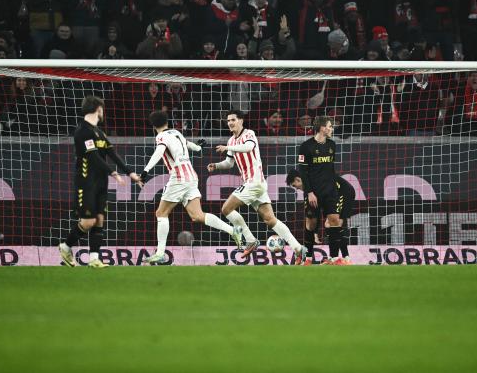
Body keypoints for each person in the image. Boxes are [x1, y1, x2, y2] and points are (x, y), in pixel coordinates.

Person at [136, 111, 242, 265]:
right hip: (191, 177)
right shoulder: (176, 133)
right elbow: (190, 145)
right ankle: (233, 230)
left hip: (178, 177)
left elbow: (159, 152)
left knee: (161, 212)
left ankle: (159, 253)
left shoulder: (161, 137)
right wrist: (199, 147)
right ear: (167, 121)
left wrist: (145, 171)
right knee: (197, 215)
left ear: (153, 125)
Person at [207, 110, 307, 263]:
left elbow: (248, 147)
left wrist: (228, 149)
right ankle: (298, 248)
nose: (230, 123)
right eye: (228, 121)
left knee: (226, 209)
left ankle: (250, 240)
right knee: (270, 219)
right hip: (254, 184)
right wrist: (217, 165)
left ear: (241, 121)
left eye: (233, 120)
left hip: (254, 182)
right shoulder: (231, 141)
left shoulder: (249, 134)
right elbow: (229, 163)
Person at [58, 96, 139, 268]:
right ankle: (65, 247)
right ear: (98, 109)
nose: (103, 112)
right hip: (86, 182)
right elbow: (93, 157)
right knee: (88, 222)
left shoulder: (99, 132)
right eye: (102, 108)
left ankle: (94, 259)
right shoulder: (82, 131)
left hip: (101, 183)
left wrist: (130, 172)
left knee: (100, 219)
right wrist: (113, 173)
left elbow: (112, 154)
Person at [294, 116, 351, 265]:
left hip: (330, 192)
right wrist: (310, 192)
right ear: (322, 128)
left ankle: (333, 258)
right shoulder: (306, 146)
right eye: (330, 126)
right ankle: (308, 258)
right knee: (311, 224)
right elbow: (303, 172)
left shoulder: (332, 145)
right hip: (314, 193)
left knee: (334, 221)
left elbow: (330, 170)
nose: (332, 129)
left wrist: (334, 189)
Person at [286, 168, 354, 266]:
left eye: (294, 185)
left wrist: (315, 231)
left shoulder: (315, 181)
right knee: (327, 224)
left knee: (335, 223)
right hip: (334, 194)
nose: (296, 188)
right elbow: (314, 212)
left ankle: (346, 258)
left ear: (298, 179)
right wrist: (315, 231)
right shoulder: (309, 190)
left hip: (344, 192)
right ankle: (328, 258)